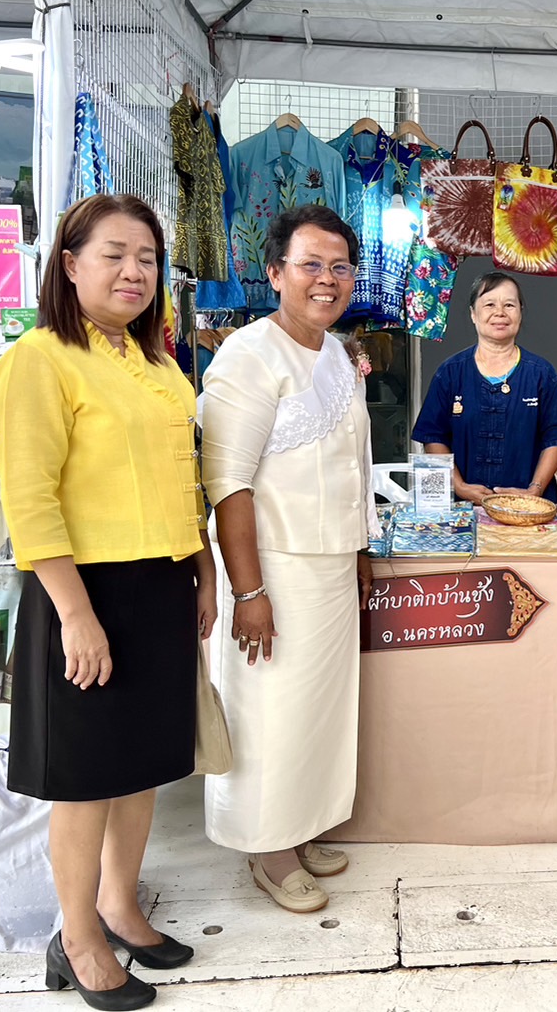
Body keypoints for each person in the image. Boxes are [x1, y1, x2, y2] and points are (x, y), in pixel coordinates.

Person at [0, 194, 217, 1011]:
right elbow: (29, 499)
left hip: (160, 582)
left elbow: (180, 476)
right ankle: (77, 935)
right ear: (69, 263)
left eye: (147, 258)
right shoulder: (40, 358)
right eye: (114, 254)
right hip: (83, 589)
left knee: (142, 762)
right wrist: (76, 614)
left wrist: (203, 567)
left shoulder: (156, 362)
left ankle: (121, 904)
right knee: (86, 777)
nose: (134, 271)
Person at [200, 203, 377, 914]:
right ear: (275, 273)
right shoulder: (248, 354)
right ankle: (266, 850)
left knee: (315, 712)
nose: (326, 279)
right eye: (310, 265)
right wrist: (249, 592)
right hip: (271, 566)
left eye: (340, 266)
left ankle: (298, 830)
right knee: (268, 709)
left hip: (329, 565)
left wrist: (359, 545)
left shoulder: (337, 352)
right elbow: (227, 482)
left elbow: (351, 461)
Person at [412, 272, 557, 505]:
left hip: (529, 508)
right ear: (473, 314)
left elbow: (556, 439)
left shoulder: (541, 373)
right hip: (464, 507)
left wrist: (534, 490)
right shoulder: (450, 372)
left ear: (520, 312)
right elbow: (433, 436)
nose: (500, 312)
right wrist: (460, 487)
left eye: (509, 305)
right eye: (489, 304)